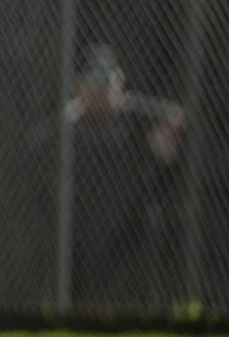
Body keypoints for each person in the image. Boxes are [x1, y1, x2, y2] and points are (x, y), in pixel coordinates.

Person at [66, 44, 185, 307]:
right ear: (80, 85)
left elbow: (177, 119)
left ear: (117, 82)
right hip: (81, 224)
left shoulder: (134, 113)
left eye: (106, 81)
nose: (100, 89)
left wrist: (160, 142)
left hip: (128, 221)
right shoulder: (69, 123)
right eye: (93, 80)